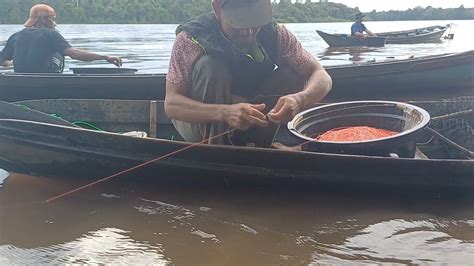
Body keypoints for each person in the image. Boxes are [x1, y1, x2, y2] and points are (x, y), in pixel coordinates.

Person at [165, 0, 332, 146]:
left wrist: (300, 99)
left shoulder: (276, 33)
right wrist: (224, 112)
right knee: (211, 67)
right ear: (217, 8)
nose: (248, 30)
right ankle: (217, 149)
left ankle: (260, 144)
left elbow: (322, 76)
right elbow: (171, 104)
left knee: (291, 74)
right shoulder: (190, 39)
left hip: (249, 110)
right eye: (239, 20)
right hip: (202, 120)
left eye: (254, 20)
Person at [0, 4, 122, 73]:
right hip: (46, 84)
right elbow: (74, 54)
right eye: (53, 19)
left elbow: (1, 61)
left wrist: (12, 61)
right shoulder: (50, 34)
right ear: (43, 19)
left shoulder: (15, 36)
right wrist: (105, 57)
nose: (55, 23)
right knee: (59, 52)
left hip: (20, 83)